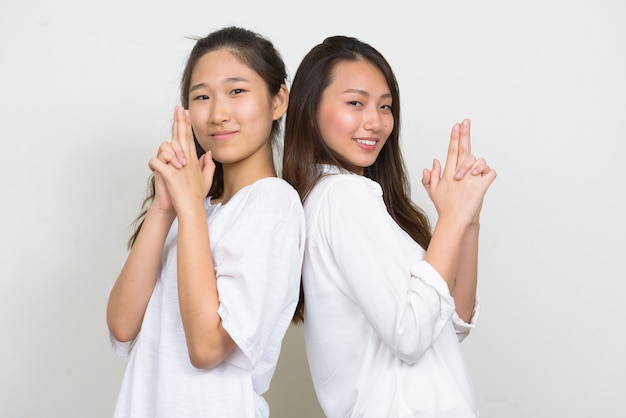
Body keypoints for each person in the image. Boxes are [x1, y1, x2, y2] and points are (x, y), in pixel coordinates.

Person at [282, 35, 496, 417]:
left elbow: (452, 323)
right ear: (309, 109)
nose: (376, 122)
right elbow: (410, 336)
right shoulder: (341, 196)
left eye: (385, 107)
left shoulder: (349, 199)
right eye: (355, 103)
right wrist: (451, 218)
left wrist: (468, 220)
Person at [106, 26, 305, 418]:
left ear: (278, 99)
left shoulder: (272, 203)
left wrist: (190, 208)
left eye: (237, 91)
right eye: (201, 96)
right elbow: (122, 325)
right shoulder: (195, 208)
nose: (218, 114)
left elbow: (207, 348)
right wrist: (166, 207)